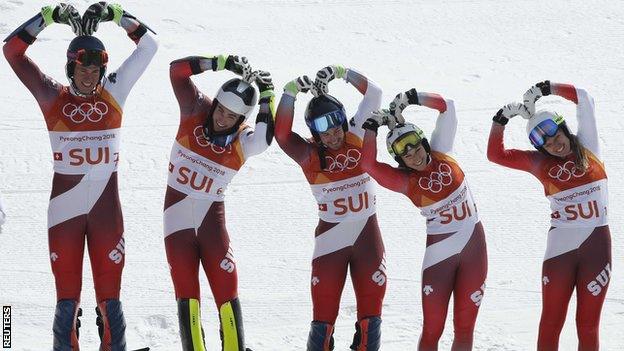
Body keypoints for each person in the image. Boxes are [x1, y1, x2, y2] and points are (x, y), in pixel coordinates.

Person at [3, 2, 158, 350]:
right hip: (64, 214)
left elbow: (150, 46)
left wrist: (115, 14)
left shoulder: (114, 92)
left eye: (95, 67)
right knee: (66, 306)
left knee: (112, 305)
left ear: (103, 69)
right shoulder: (52, 97)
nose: (88, 74)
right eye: (81, 66)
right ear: (70, 66)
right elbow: (12, 52)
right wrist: (48, 17)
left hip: (106, 213)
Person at [487, 81, 611, 351]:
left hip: (596, 250)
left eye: (556, 136)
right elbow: (495, 155)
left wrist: (547, 89)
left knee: (587, 325)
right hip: (560, 253)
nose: (556, 145)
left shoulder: (588, 146)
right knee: (551, 322)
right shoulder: (539, 163)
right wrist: (501, 119)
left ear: (564, 127)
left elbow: (584, 98)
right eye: (547, 144)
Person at [360, 89, 487, 350]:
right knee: (433, 329)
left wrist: (413, 98)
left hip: (474, 250)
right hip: (439, 256)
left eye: (417, 147)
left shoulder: (443, 151)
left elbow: (447, 106)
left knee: (464, 328)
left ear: (425, 143)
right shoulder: (405, 182)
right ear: (400, 160)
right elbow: (368, 165)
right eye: (407, 155)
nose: (415, 156)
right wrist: (371, 127)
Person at [166, 54, 274, 351]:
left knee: (226, 293)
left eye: (231, 116)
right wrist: (219, 62)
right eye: (221, 110)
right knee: (188, 297)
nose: (221, 118)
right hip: (177, 226)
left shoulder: (243, 140)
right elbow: (176, 72)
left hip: (212, 227)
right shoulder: (195, 110)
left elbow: (265, 139)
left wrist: (267, 98)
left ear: (242, 120)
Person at [275, 65, 385, 351]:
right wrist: (289, 94)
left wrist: (341, 72)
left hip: (367, 239)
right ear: (314, 133)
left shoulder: (357, 133)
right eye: (326, 133)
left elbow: (375, 95)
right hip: (330, 243)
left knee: (371, 320)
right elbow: (283, 135)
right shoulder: (308, 153)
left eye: (337, 127)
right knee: (322, 321)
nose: (334, 136)